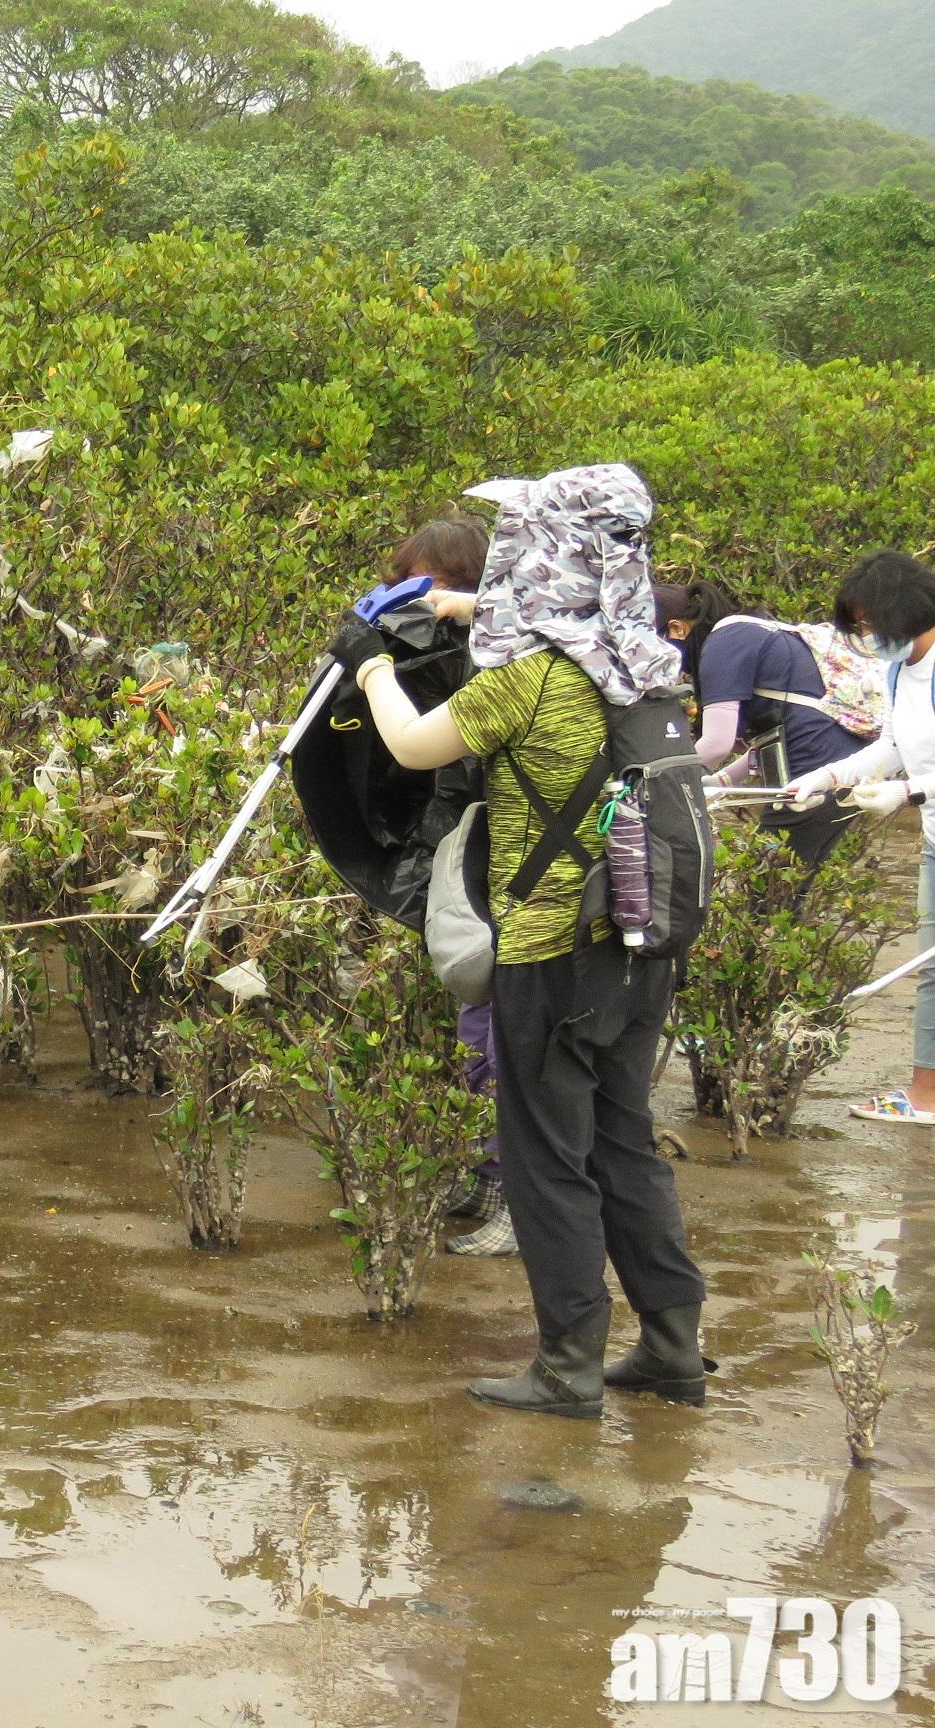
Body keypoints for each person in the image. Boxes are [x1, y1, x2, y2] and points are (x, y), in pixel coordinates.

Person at [327, 464, 709, 1418]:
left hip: (553, 949)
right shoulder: (646, 670)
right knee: (626, 1143)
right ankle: (671, 1345)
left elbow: (414, 746)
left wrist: (370, 665)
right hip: (642, 942)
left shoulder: (533, 681)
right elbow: (534, 615)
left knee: (545, 1155)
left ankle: (568, 1364)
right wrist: (454, 606)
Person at [386, 518, 519, 1260]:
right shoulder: (461, 646)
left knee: (505, 1039)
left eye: (430, 585)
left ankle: (515, 1197)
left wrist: (376, 675)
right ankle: (486, 1174)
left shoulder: (509, 667)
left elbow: (424, 746)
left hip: (511, 872)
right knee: (476, 1027)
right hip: (467, 858)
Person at [779, 550, 935, 1124]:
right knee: (933, 971)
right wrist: (828, 777)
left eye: (870, 624)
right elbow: (891, 747)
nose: (866, 635)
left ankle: (925, 1098)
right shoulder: (899, 671)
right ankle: (927, 1097)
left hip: (925, 807)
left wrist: (910, 791)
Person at [654, 579, 869, 865]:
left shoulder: (724, 642)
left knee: (766, 888)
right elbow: (783, 727)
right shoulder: (746, 629)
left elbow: (718, 743)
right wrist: (722, 779)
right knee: (786, 887)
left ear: (677, 629)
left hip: (813, 769)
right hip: (842, 765)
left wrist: (654, 780)